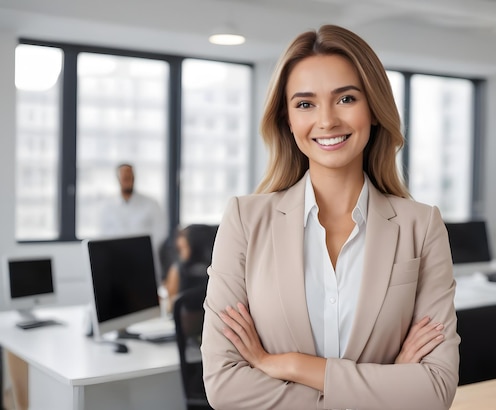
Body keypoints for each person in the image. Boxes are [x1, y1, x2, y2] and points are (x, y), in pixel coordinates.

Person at [201, 24, 459, 410]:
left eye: (346, 99)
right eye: (305, 104)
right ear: (287, 119)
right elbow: (224, 386)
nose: (326, 121)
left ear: (373, 108)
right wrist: (388, 385)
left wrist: (287, 365)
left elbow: (436, 389)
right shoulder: (245, 220)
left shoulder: (421, 226)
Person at [99, 163, 168, 250]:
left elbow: (161, 232)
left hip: (145, 255)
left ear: (134, 177)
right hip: (116, 255)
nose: (127, 180)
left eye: (129, 176)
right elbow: (103, 235)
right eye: (124, 177)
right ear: (118, 179)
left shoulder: (151, 204)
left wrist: (146, 250)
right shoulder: (107, 206)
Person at [162, 224, 217, 305]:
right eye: (179, 250)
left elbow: (170, 305)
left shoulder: (177, 271)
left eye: (184, 247)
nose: (181, 255)